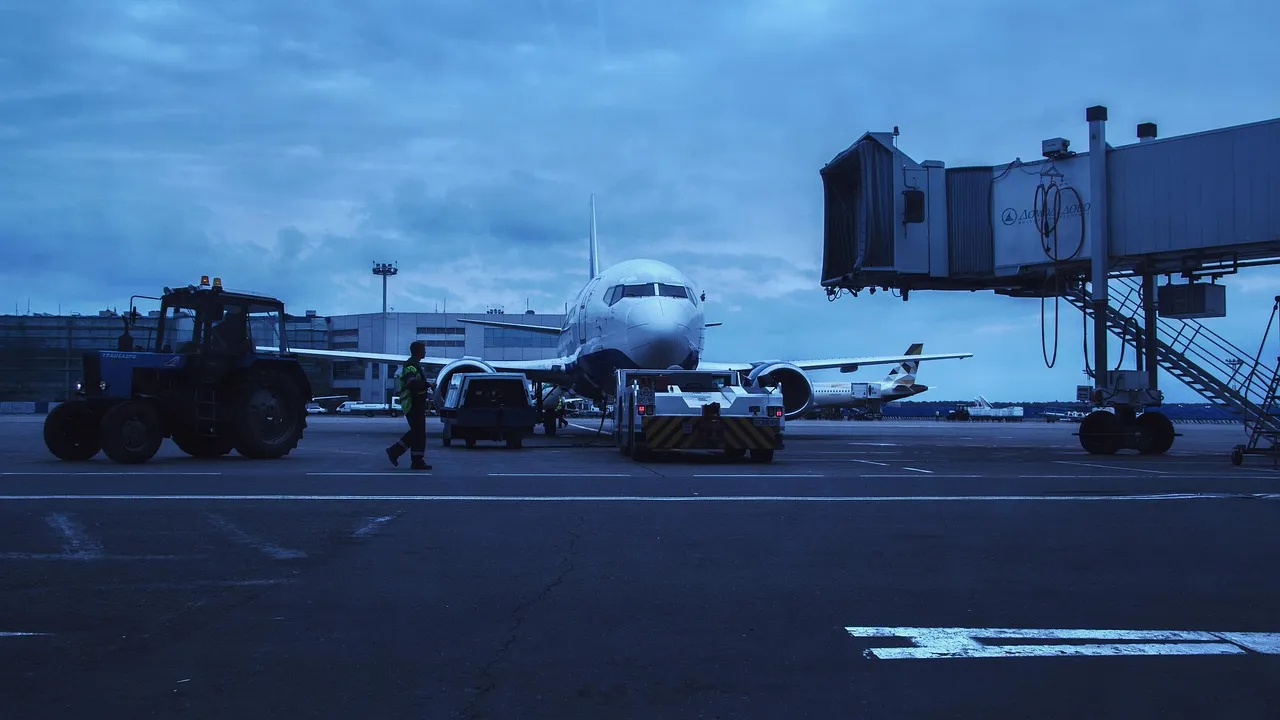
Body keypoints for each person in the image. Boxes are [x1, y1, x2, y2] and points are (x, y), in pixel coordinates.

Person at [386, 340, 431, 470]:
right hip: (412, 403)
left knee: (417, 433)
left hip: (416, 403)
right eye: (424, 349)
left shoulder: (414, 365)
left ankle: (412, 459)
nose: (425, 352)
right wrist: (428, 384)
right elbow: (412, 383)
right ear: (418, 352)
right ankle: (397, 452)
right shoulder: (411, 366)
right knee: (418, 433)